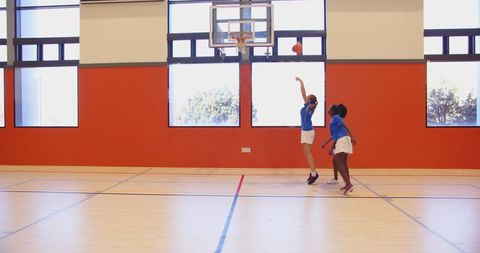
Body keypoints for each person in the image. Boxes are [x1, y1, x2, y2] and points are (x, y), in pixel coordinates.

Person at [321, 104, 356, 194]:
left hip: (343, 140)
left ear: (332, 111)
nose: (328, 108)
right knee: (343, 163)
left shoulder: (336, 117)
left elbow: (345, 126)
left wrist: (352, 137)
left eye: (329, 108)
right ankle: (347, 184)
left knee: (338, 162)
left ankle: (349, 184)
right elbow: (335, 135)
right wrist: (327, 144)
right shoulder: (334, 119)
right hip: (342, 139)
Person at [296, 77, 319, 185]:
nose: (305, 97)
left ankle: (314, 174)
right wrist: (301, 82)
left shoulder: (310, 107)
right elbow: (303, 93)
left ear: (310, 100)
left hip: (308, 131)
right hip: (305, 131)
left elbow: (305, 95)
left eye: (308, 97)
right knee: (306, 152)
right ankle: (312, 172)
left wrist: (301, 81)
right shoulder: (307, 106)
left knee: (308, 153)